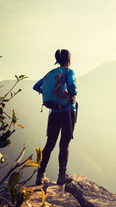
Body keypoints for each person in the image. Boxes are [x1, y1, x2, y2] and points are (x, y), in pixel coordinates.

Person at [33, 49, 77, 185]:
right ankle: (61, 176)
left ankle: (40, 176)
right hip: (68, 111)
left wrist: (51, 94)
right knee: (64, 144)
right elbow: (73, 88)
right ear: (69, 60)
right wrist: (67, 94)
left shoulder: (51, 73)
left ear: (57, 60)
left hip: (54, 113)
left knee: (49, 144)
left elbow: (35, 86)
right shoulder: (69, 72)